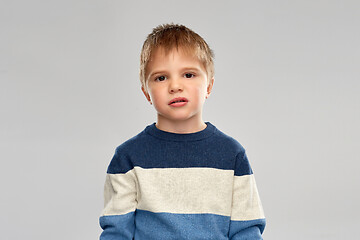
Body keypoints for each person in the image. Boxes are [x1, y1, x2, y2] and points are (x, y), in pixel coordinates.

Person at [99, 23, 266, 239]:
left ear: (209, 86)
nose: (175, 86)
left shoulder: (231, 155)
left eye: (188, 75)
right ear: (146, 93)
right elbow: (116, 232)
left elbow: (246, 231)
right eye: (161, 77)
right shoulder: (128, 157)